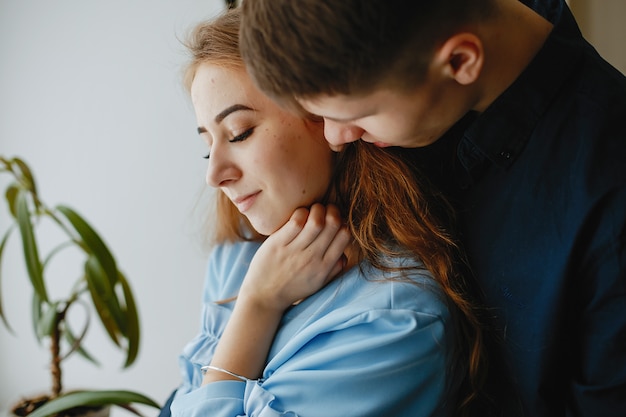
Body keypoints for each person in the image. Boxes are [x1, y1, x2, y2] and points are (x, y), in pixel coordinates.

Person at [238, 0, 626, 416]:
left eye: (359, 115)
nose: (335, 138)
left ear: (460, 61)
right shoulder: (396, 80)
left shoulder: (608, 196)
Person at [165, 8, 487, 417]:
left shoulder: (393, 318)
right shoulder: (236, 258)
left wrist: (258, 307)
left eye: (240, 132)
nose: (214, 174)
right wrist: (254, 298)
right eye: (209, 145)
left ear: (322, 111)